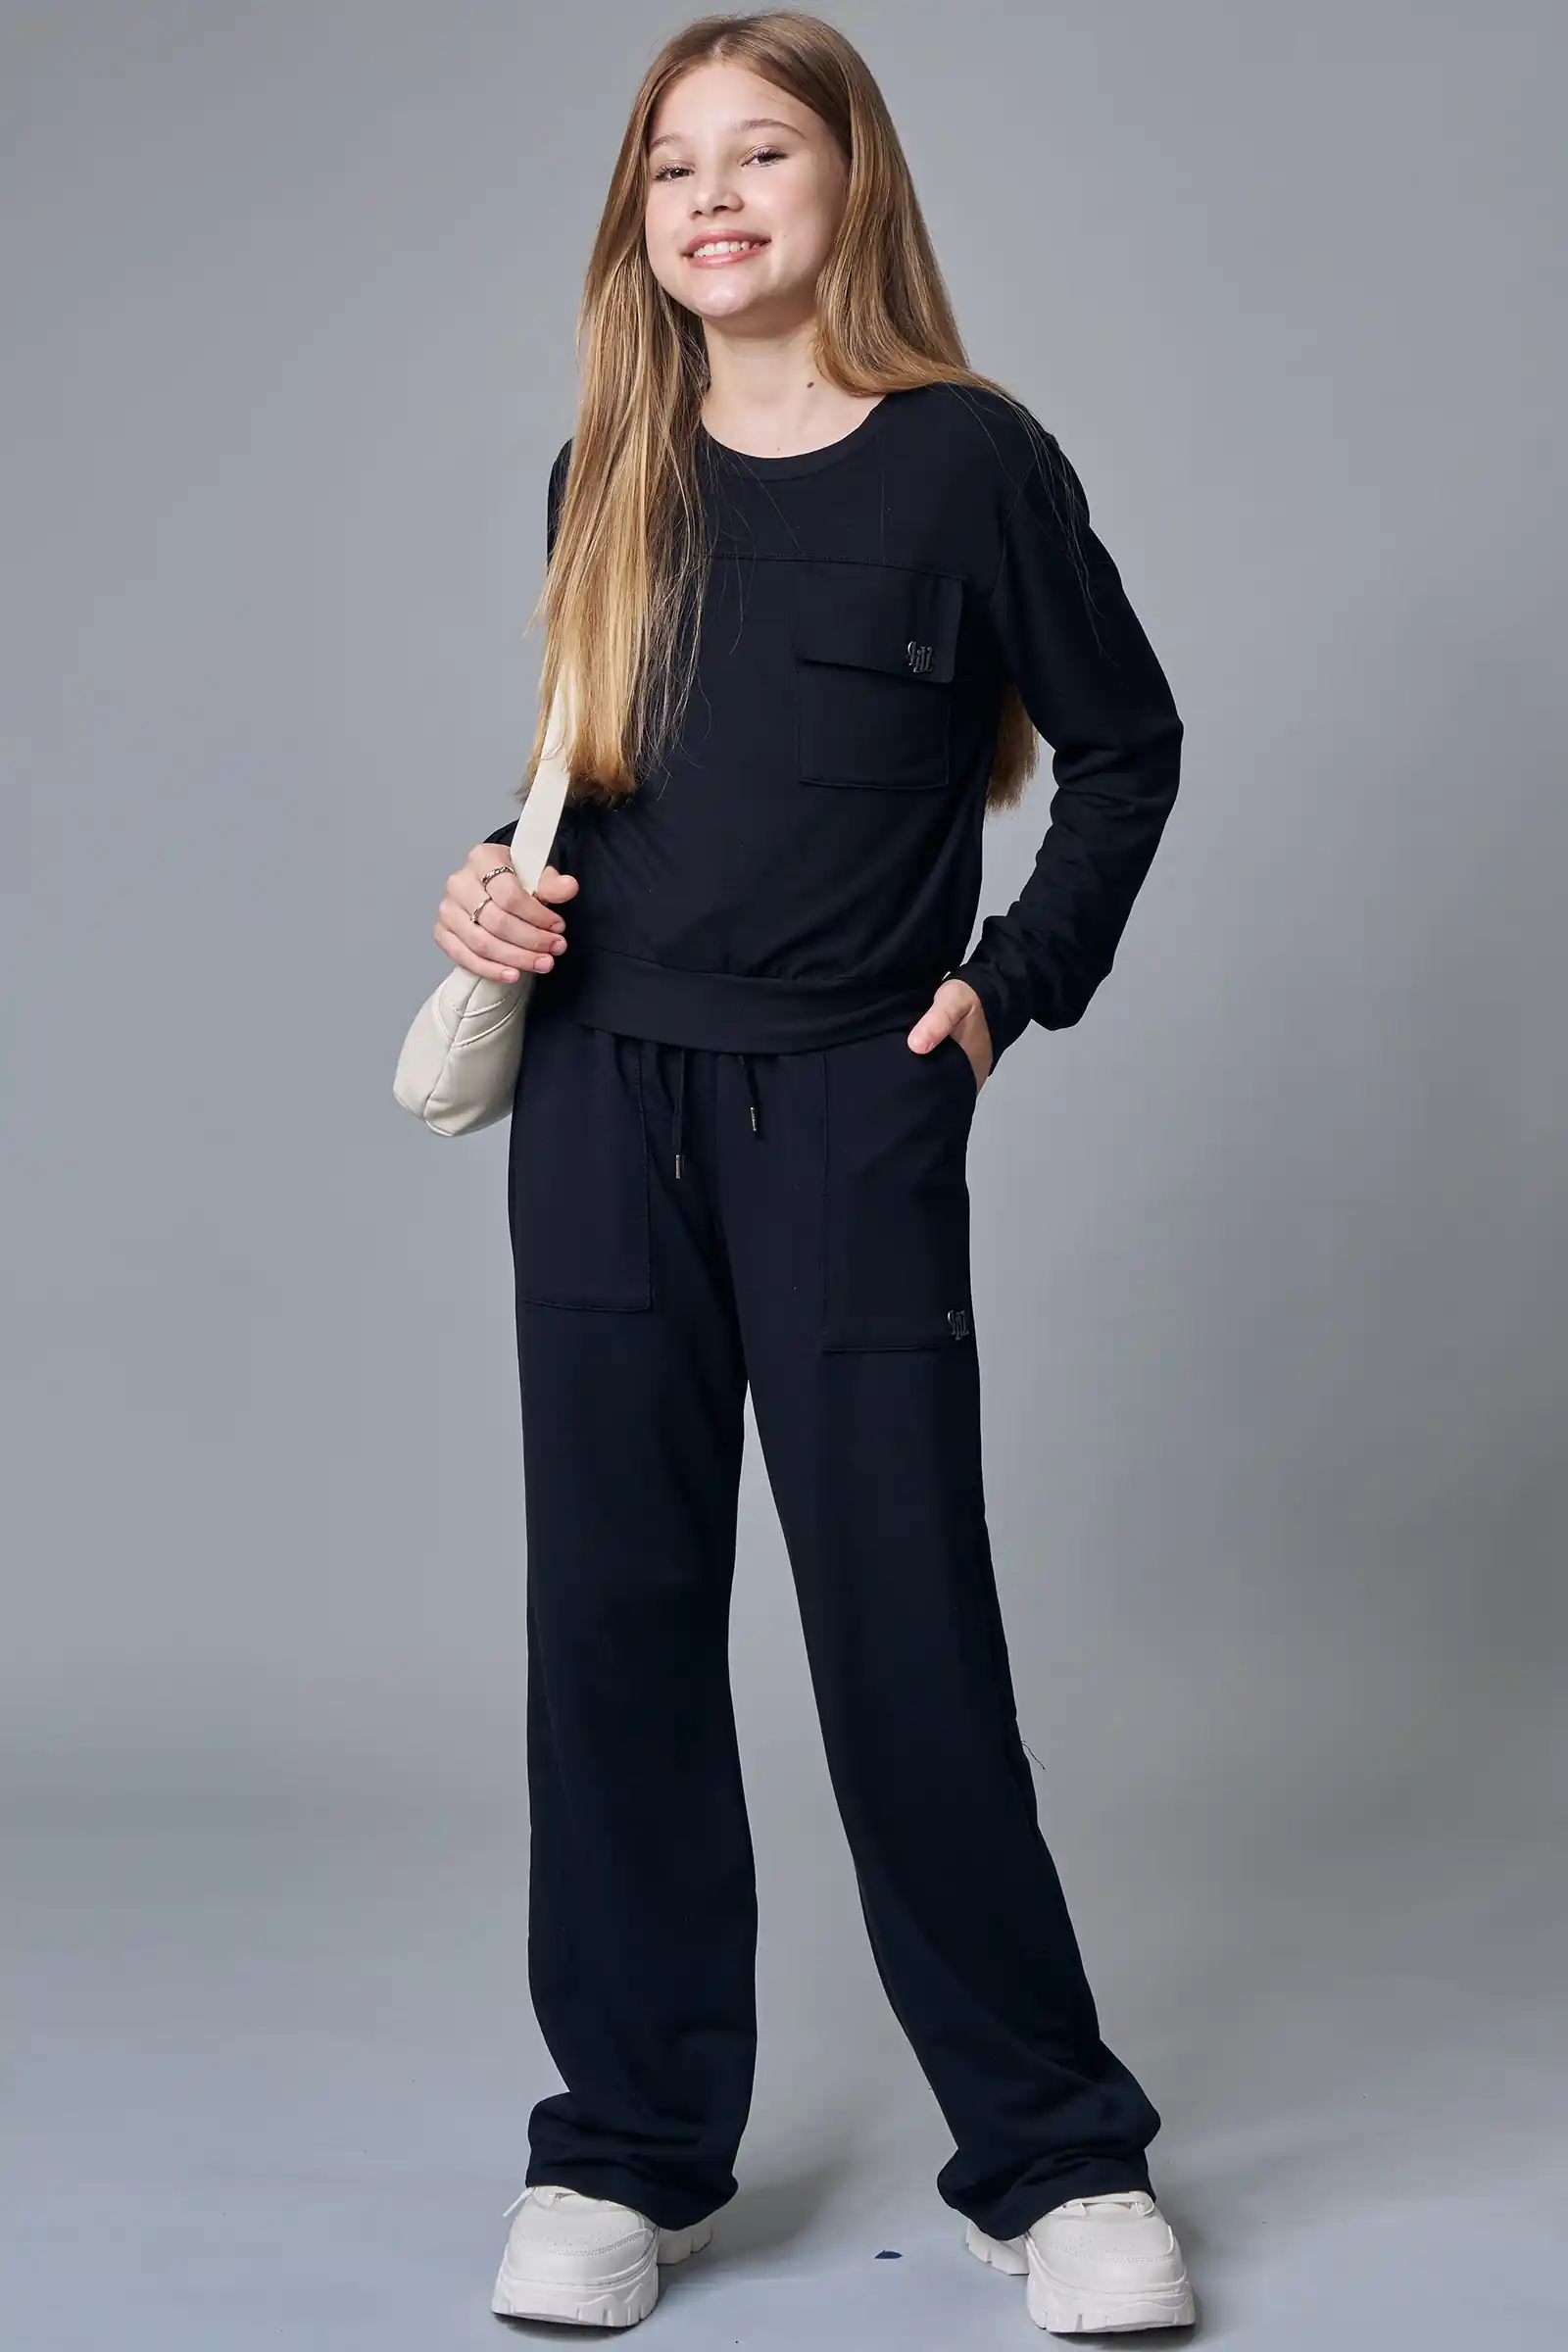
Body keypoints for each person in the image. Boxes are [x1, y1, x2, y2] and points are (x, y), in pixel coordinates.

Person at [428, 13, 1195, 2334]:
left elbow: (1127, 747)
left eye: (762, 152)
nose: (714, 197)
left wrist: (1007, 987)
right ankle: (623, 2152)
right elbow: (606, 786)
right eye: (673, 166)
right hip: (600, 1106)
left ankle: (1055, 2160)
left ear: (851, 186)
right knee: (615, 1627)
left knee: (901, 1626)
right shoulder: (604, 472)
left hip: (851, 1112)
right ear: (636, 221)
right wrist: (488, 880)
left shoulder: (968, 463)